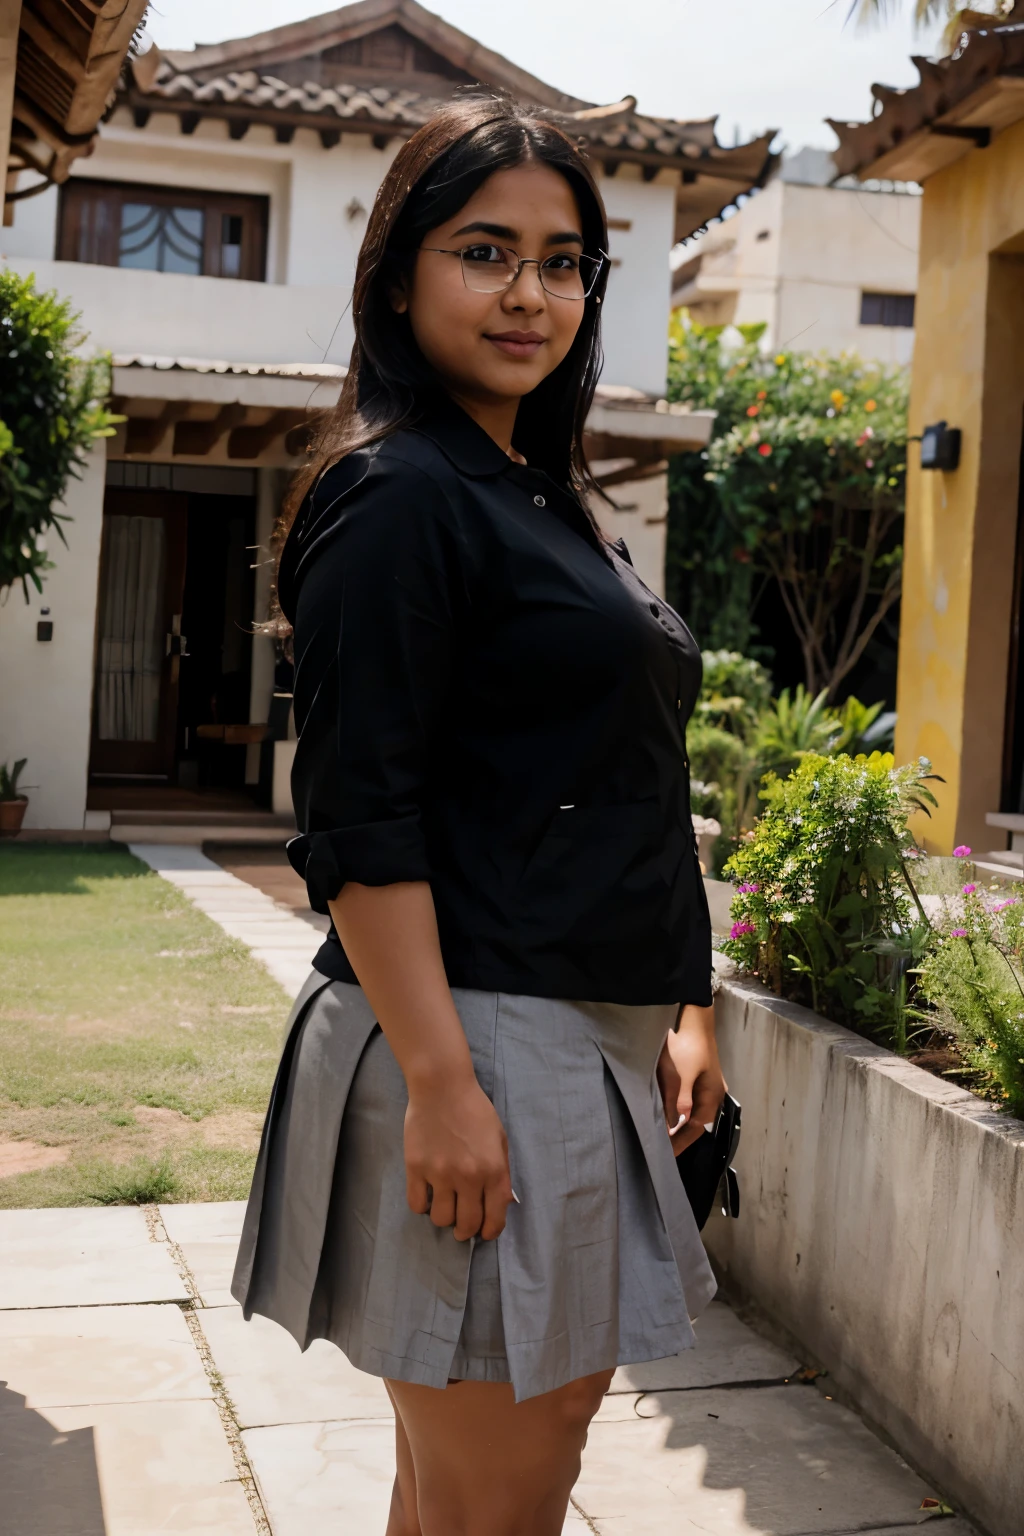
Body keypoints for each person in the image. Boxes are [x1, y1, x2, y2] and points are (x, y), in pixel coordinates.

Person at [233, 93, 726, 1536]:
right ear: (400, 272)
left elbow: (632, 768)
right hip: (481, 1033)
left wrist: (686, 1007)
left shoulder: (553, 498)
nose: (531, 292)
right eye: (485, 249)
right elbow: (358, 815)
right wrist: (445, 1085)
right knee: (503, 1476)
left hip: (577, 1031)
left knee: (492, 1458)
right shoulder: (397, 495)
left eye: (565, 260)